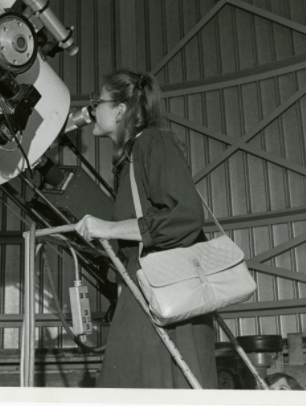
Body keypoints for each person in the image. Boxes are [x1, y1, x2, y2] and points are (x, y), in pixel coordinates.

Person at [74, 69, 217, 389]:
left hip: (170, 298)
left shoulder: (155, 142)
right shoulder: (128, 160)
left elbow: (185, 215)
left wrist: (108, 228)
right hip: (144, 295)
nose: (92, 109)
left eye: (99, 101)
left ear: (120, 110)